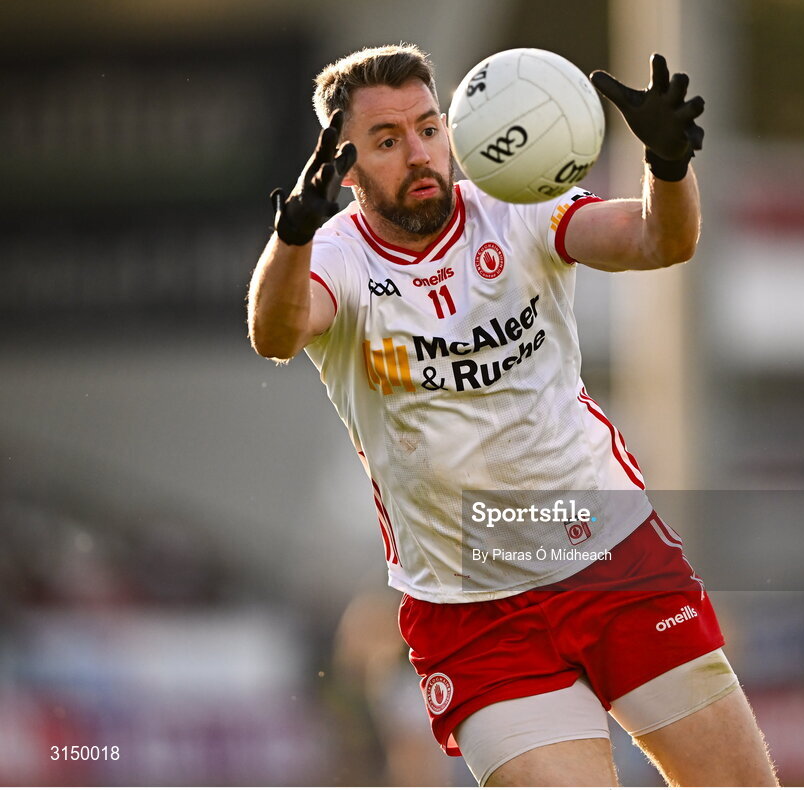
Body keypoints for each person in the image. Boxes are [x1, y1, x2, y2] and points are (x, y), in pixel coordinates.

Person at [247, 43, 777, 787]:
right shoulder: (334, 256)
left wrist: (666, 164)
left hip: (614, 559)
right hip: (475, 614)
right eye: (388, 142)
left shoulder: (516, 204)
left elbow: (662, 239)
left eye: (429, 128)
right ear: (345, 162)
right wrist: (291, 239)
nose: (420, 154)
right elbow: (276, 333)